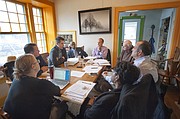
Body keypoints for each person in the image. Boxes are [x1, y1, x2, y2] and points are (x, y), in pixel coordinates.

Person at [3, 54, 68, 119]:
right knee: (64, 106)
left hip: (15, 116)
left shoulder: (16, 80)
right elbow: (58, 91)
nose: (38, 62)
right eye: (37, 61)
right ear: (33, 66)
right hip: (36, 116)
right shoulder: (42, 83)